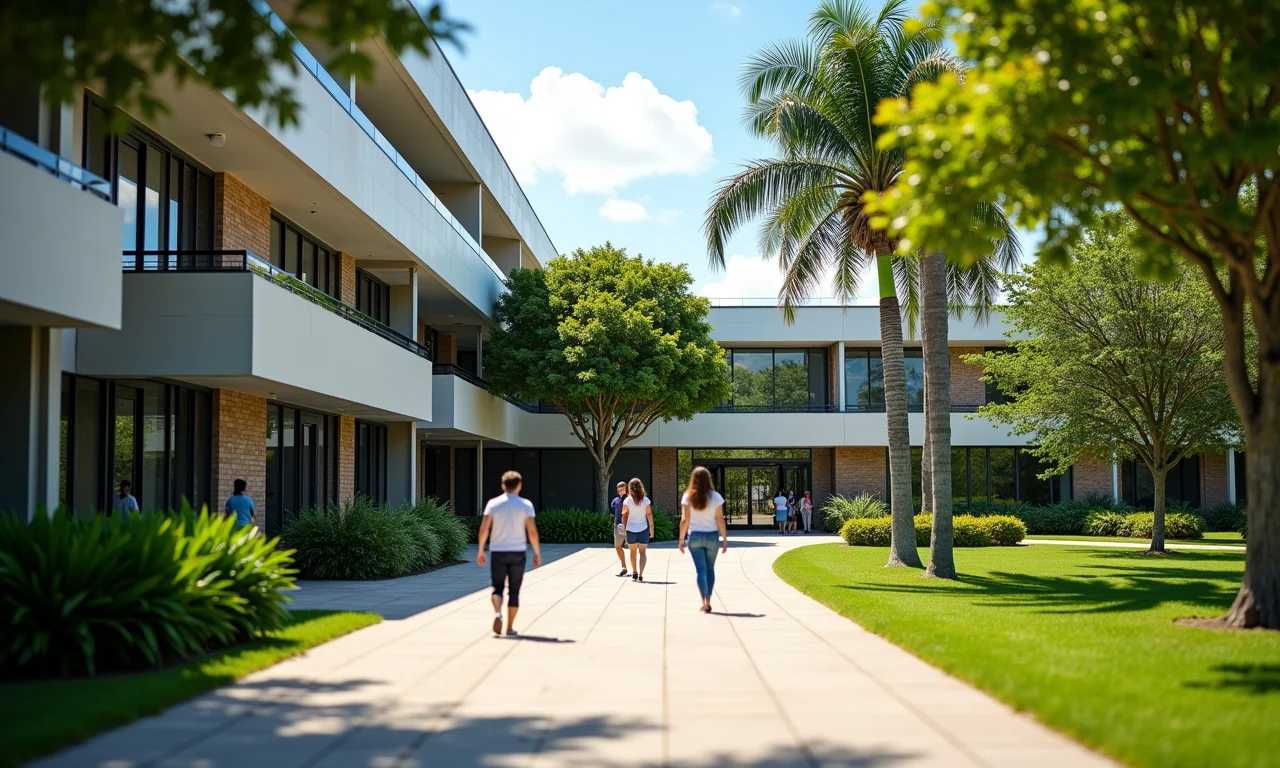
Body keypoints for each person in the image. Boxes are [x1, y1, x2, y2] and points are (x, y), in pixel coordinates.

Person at [477, 470, 542, 636]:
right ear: (519, 485)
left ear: (502, 485)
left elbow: (484, 528)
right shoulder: (526, 504)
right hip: (518, 552)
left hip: (498, 551)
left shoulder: (493, 503)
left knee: (497, 587)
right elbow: (532, 531)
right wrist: (536, 552)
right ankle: (510, 628)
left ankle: (498, 613)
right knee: (514, 590)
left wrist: (480, 550)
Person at [678, 466, 728, 613]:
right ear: (708, 479)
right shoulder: (715, 497)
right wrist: (724, 539)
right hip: (712, 536)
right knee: (710, 569)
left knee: (700, 570)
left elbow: (684, 520)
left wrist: (681, 539)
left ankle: (703, 602)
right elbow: (720, 519)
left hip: (695, 537)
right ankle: (709, 599)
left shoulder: (687, 497)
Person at [622, 478, 654, 582]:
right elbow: (649, 514)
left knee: (632, 552)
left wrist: (624, 529)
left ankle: (634, 572)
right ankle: (641, 574)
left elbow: (624, 515)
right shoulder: (645, 500)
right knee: (643, 553)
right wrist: (651, 529)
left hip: (631, 529)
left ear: (629, 488)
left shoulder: (627, 500)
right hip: (643, 529)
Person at [610, 480, 629, 577]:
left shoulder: (631, 499)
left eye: (622, 488)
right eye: (619, 488)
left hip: (630, 527)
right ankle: (624, 567)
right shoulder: (615, 501)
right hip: (618, 527)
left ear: (627, 489)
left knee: (634, 548)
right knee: (617, 546)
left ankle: (635, 569)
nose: (620, 490)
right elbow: (613, 513)